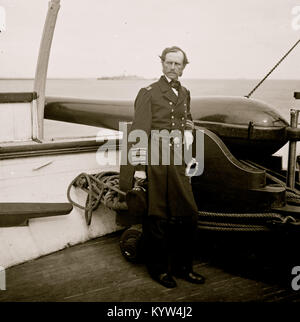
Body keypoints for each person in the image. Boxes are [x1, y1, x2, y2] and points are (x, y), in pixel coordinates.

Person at [124, 46, 205, 288]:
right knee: (157, 215)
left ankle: (183, 268)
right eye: (168, 62)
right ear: (162, 64)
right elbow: (139, 132)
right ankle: (158, 270)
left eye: (177, 64)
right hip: (156, 158)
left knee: (187, 213)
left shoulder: (186, 92)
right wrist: (139, 167)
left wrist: (189, 146)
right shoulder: (148, 92)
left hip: (179, 157)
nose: (172, 67)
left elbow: (185, 122)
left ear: (183, 67)